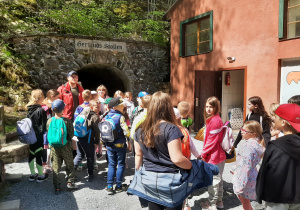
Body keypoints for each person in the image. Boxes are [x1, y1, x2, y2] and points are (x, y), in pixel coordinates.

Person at [133, 91, 192, 210]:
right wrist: (191, 166)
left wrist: (138, 174)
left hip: (150, 178)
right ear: (168, 108)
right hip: (169, 180)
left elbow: (138, 155)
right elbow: (177, 158)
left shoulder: (140, 129)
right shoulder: (171, 129)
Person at [256, 104, 300, 210]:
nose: (273, 120)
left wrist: (259, 192)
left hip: (277, 197)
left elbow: (265, 172)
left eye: (275, 117)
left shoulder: (275, 146)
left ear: (284, 122)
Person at [200, 96, 226, 210]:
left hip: (214, 155)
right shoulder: (216, 119)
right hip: (218, 154)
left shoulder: (214, 120)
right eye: (206, 106)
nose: (208, 109)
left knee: (213, 180)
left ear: (216, 107)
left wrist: (203, 154)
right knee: (218, 179)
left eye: (211, 106)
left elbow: (211, 141)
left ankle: (212, 204)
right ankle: (219, 201)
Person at [232, 121, 265, 210]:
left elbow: (245, 166)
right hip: (251, 177)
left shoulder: (248, 147)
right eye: (242, 129)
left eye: (244, 130)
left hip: (244, 179)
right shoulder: (256, 145)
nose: (241, 131)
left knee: (245, 204)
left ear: (253, 134)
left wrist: (240, 186)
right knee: (246, 203)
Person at [47, 99, 78, 194]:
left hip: (54, 148)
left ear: (52, 109)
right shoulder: (67, 121)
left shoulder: (49, 121)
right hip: (66, 147)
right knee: (69, 165)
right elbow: (71, 135)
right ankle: (70, 182)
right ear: (63, 109)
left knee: (56, 167)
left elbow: (48, 132)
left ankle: (57, 187)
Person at [105, 97, 130, 195]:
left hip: (109, 144)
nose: (123, 106)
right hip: (119, 144)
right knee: (121, 164)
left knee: (111, 164)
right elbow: (126, 132)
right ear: (115, 107)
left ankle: (109, 186)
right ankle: (119, 185)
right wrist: (129, 136)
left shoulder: (106, 116)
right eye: (121, 104)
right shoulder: (120, 117)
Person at [73, 100, 101, 182]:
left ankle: (71, 172)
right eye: (97, 107)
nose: (99, 109)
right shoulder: (94, 117)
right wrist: (97, 142)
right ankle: (90, 174)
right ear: (91, 107)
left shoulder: (83, 112)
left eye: (99, 107)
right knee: (90, 156)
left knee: (80, 154)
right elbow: (97, 131)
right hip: (88, 139)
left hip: (79, 137)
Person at [26, 89, 49, 182]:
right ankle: (40, 175)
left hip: (30, 135)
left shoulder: (29, 109)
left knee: (31, 154)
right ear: (41, 97)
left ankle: (32, 174)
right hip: (38, 136)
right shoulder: (41, 110)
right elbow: (44, 126)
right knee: (39, 154)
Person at [42, 89, 60, 173]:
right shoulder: (48, 106)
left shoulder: (44, 104)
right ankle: (47, 164)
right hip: (49, 130)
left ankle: (47, 164)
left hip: (47, 129)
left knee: (48, 147)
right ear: (52, 97)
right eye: (57, 97)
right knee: (49, 147)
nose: (58, 99)